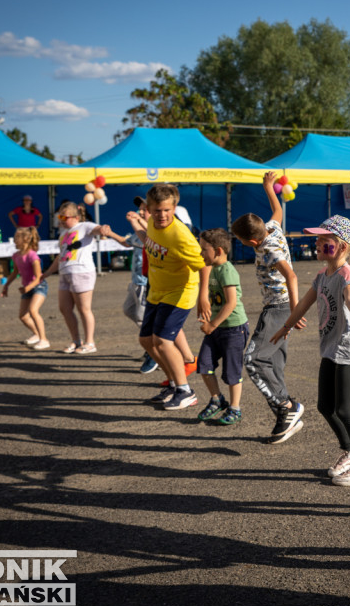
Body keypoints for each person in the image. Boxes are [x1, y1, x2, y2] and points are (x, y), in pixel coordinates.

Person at [271, 215, 350, 486]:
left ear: (342, 246)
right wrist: (286, 325)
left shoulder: (346, 273)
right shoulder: (322, 275)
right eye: (317, 238)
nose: (317, 243)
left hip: (349, 350)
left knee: (344, 409)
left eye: (324, 239)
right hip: (331, 349)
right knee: (325, 407)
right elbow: (304, 305)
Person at [231, 171, 306, 444]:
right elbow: (277, 209)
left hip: (279, 307)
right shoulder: (272, 229)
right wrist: (268, 187)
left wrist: (295, 311)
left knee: (253, 360)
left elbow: (292, 276)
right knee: (273, 361)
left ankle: (288, 408)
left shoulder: (267, 249)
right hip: (279, 308)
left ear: (251, 242)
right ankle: (285, 414)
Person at [131, 184, 211, 409]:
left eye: (167, 210)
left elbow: (203, 265)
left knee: (163, 341)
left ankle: (185, 391)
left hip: (180, 292)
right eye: (157, 210)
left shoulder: (181, 236)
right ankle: (174, 384)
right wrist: (133, 227)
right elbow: (149, 241)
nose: (162, 215)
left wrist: (203, 296)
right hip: (157, 291)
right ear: (149, 209)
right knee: (146, 341)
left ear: (174, 207)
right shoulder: (151, 224)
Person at [102, 197, 198, 377]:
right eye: (140, 209)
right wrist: (115, 231)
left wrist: (136, 222)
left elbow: (200, 263)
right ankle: (164, 353)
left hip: (152, 283)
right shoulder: (149, 230)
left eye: (144, 209)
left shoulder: (165, 232)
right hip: (141, 281)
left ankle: (166, 356)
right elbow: (133, 240)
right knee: (130, 311)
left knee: (158, 330)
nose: (140, 212)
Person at [194, 228, 250, 425]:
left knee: (232, 372)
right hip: (216, 328)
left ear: (217, 251)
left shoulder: (227, 270)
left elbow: (231, 303)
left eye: (203, 249)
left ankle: (235, 407)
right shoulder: (212, 268)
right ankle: (217, 399)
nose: (201, 253)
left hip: (234, 328)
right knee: (204, 365)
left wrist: (212, 325)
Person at [40, 201, 103, 353]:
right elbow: (60, 257)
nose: (60, 219)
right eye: (59, 216)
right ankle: (76, 340)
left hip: (81, 272)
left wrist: (104, 229)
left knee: (84, 309)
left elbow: (98, 229)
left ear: (75, 217)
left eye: (64, 216)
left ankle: (90, 343)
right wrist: (46, 273)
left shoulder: (84, 226)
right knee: (65, 308)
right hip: (65, 273)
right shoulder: (62, 234)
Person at [1, 226, 49, 350]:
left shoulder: (32, 256)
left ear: (26, 239)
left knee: (33, 311)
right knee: (23, 316)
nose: (15, 240)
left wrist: (28, 287)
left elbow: (39, 277)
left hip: (39, 286)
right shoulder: (16, 255)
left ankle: (44, 340)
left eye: (17, 238)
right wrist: (6, 285)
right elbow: (15, 272)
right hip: (27, 288)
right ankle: (37, 334)